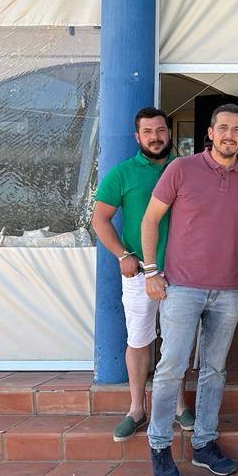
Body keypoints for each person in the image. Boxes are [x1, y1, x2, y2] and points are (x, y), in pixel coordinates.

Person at [141, 104, 238, 476]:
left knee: (215, 369)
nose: (230, 134)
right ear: (210, 132)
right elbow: (150, 220)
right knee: (171, 366)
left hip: (229, 288)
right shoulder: (181, 169)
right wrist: (150, 271)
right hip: (181, 286)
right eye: (223, 127)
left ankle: (204, 443)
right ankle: (160, 444)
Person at [92, 107, 193, 442]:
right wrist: (122, 254)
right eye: (148, 132)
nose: (155, 137)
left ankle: (178, 406)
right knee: (139, 339)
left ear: (170, 133)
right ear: (138, 137)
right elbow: (99, 220)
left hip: (183, 273)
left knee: (176, 342)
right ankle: (136, 408)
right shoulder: (122, 173)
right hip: (139, 273)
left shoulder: (187, 169)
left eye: (161, 130)